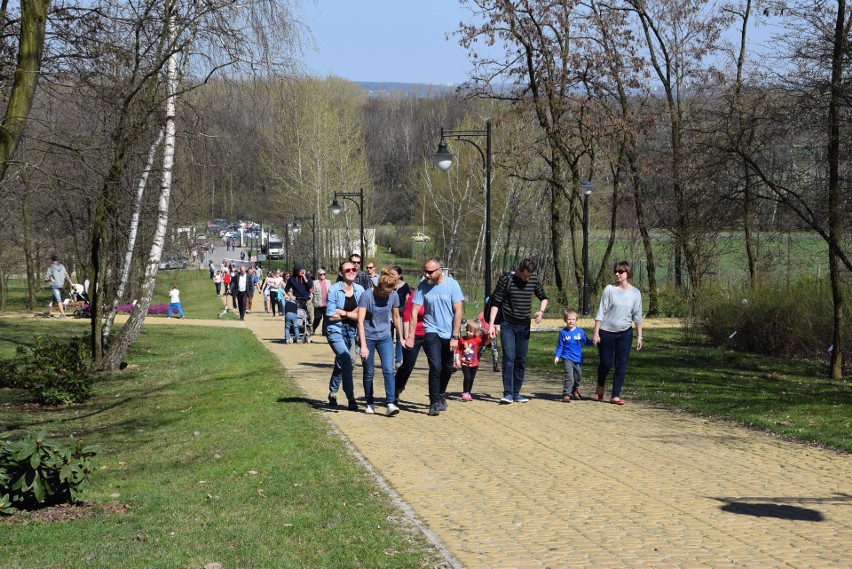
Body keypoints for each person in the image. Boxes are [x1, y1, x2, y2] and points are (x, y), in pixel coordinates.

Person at [404, 257, 464, 416]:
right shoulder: (422, 286)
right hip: (431, 331)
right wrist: (410, 336)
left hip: (449, 332)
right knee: (435, 366)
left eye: (430, 272)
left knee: (447, 367)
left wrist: (455, 336)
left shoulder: (452, 285)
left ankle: (442, 392)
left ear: (439, 270)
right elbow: (414, 312)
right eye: (425, 271)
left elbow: (458, 311)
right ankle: (434, 402)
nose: (427, 275)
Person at [488, 258, 548, 404]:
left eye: (530, 276)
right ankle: (508, 393)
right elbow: (496, 303)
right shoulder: (506, 279)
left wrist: (541, 311)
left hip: (524, 326)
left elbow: (544, 298)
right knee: (509, 356)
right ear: (520, 270)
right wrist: (491, 325)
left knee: (521, 359)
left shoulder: (533, 279)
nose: (527, 279)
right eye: (525, 276)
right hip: (508, 323)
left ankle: (516, 392)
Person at [593, 261, 643, 405]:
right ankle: (600, 384)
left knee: (621, 364)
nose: (617, 274)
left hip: (625, 334)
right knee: (606, 363)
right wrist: (596, 333)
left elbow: (637, 316)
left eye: (620, 272)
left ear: (627, 273)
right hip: (606, 332)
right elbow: (601, 311)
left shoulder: (635, 293)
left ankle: (615, 395)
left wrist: (639, 336)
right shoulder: (609, 289)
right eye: (616, 271)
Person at [357, 268, 403, 416]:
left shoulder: (393, 295)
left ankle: (390, 403)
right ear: (378, 287)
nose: (387, 295)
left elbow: (396, 318)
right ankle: (370, 403)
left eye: (389, 292)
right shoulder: (366, 295)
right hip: (368, 337)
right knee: (369, 371)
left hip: (385, 337)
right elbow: (360, 321)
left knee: (388, 370)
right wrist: (363, 345)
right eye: (384, 292)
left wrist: (401, 337)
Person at [325, 261, 365, 410]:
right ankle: (351, 397)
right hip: (335, 330)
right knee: (347, 360)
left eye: (354, 269)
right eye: (347, 269)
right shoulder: (334, 290)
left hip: (352, 331)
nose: (351, 271)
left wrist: (342, 312)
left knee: (342, 362)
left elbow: (363, 313)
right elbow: (330, 315)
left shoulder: (360, 290)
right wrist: (351, 314)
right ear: (341, 273)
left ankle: (332, 392)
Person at [554, 308, 593, 402]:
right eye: (569, 319)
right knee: (569, 377)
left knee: (578, 377)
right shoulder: (563, 332)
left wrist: (594, 341)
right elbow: (560, 346)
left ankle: (574, 389)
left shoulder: (580, 332)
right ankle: (566, 394)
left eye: (573, 319)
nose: (571, 321)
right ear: (565, 320)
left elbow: (586, 342)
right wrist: (557, 356)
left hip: (578, 358)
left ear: (576, 320)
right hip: (567, 358)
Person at [394, 290, 425, 404]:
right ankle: (396, 389)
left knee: (436, 365)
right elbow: (407, 316)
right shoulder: (416, 295)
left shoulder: (437, 295)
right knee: (408, 365)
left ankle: (437, 397)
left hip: (431, 333)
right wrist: (407, 337)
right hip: (415, 333)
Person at [458, 319, 486, 401]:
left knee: (471, 378)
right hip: (465, 362)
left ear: (474, 332)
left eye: (470, 331)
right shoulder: (462, 339)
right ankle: (465, 392)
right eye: (467, 330)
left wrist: (490, 337)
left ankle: (468, 392)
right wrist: (457, 359)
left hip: (474, 363)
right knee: (467, 377)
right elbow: (458, 349)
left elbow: (485, 342)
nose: (467, 332)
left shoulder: (477, 340)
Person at [285, 264, 313, 339]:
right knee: (297, 318)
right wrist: (291, 296)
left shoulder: (307, 276)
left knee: (310, 317)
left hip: (307, 300)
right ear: (296, 271)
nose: (302, 271)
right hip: (297, 300)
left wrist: (304, 277)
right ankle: (294, 333)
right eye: (300, 270)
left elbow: (309, 286)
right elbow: (286, 289)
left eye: (303, 270)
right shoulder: (291, 279)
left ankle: (309, 333)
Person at [390, 265, 411, 368]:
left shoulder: (405, 286)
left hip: (401, 315)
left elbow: (408, 301)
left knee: (400, 338)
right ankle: (389, 360)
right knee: (388, 338)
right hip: (389, 315)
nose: (392, 276)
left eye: (393, 274)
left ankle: (398, 360)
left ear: (399, 275)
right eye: (390, 274)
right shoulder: (388, 285)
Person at [477, 306, 500, 373]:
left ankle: (495, 365)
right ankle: (476, 363)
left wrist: (496, 333)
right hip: (484, 335)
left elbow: (497, 326)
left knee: (494, 350)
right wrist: (482, 329)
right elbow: (478, 324)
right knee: (481, 350)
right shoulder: (482, 314)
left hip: (492, 335)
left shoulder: (496, 315)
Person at [311, 267, 329, 336]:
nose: (322, 275)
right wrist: (310, 301)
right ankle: (313, 329)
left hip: (327, 303)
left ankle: (324, 332)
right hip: (318, 303)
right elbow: (312, 292)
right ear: (318, 275)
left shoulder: (328, 282)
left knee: (326, 318)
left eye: (324, 274)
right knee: (318, 317)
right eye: (320, 274)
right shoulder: (315, 283)